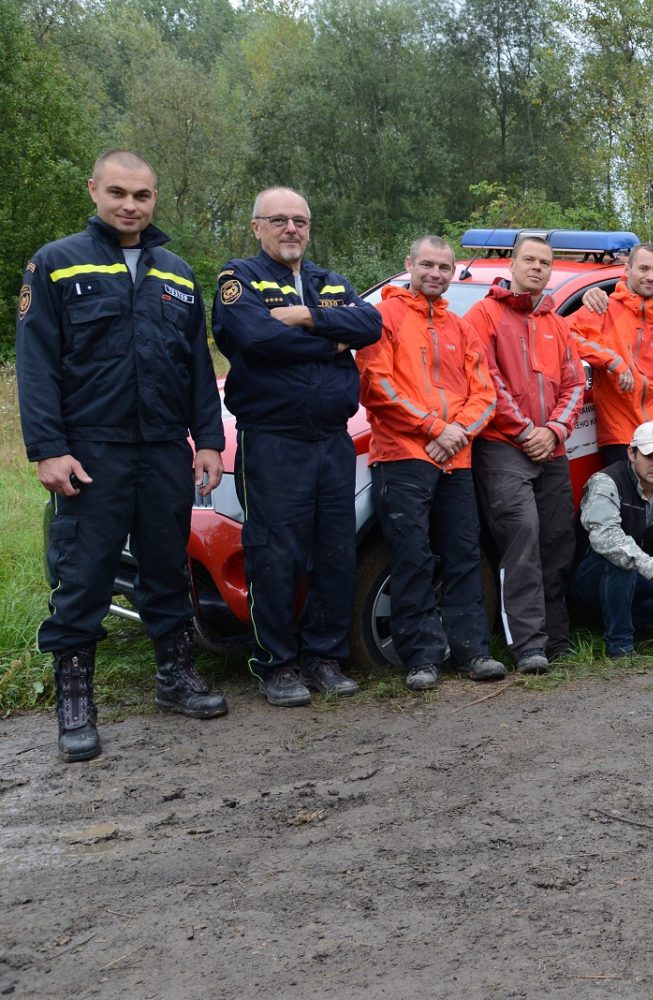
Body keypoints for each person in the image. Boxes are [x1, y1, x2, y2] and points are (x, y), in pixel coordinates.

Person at [17, 149, 228, 761]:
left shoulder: (177, 273)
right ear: (94, 191)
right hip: (91, 451)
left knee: (167, 569)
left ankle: (176, 678)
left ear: (154, 198)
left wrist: (208, 440)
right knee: (83, 576)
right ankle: (76, 703)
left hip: (163, 448)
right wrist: (49, 450)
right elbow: (35, 366)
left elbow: (196, 369)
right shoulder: (56, 264)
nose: (130, 205)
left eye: (142, 195)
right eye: (118, 193)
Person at [212, 186, 381, 707]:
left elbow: (370, 324)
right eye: (280, 220)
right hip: (273, 441)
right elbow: (259, 340)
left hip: (331, 440)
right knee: (274, 555)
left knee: (335, 551)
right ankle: (277, 663)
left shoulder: (330, 282)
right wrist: (334, 340)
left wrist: (307, 318)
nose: (292, 229)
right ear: (257, 226)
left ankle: (324, 657)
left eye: (300, 221)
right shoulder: (238, 279)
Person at [357, 236, 504, 690]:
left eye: (443, 267)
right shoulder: (382, 317)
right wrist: (433, 428)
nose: (436, 273)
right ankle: (420, 658)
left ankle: (472, 652)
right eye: (427, 265)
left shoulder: (461, 327)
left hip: (456, 459)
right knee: (411, 558)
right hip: (401, 456)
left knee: (462, 556)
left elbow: (485, 394)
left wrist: (455, 430)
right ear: (409, 265)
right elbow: (375, 384)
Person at [464, 233, 586, 674]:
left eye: (545, 262)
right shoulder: (484, 315)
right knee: (522, 540)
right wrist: (525, 431)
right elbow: (487, 381)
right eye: (529, 260)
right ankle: (528, 646)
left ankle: (557, 639)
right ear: (512, 264)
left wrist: (553, 431)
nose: (537, 267)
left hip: (552, 449)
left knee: (557, 542)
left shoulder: (556, 322)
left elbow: (576, 383)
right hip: (502, 449)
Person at [570, 242, 653, 473]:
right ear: (627, 269)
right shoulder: (603, 309)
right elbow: (563, 335)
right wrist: (612, 361)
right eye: (643, 269)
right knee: (626, 507)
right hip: (622, 435)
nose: (650, 276)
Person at [573, 421, 653, 657]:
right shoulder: (606, 481)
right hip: (589, 574)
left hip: (641, 572)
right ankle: (620, 645)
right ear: (631, 453)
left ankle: (625, 622)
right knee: (621, 562)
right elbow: (606, 539)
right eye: (650, 455)